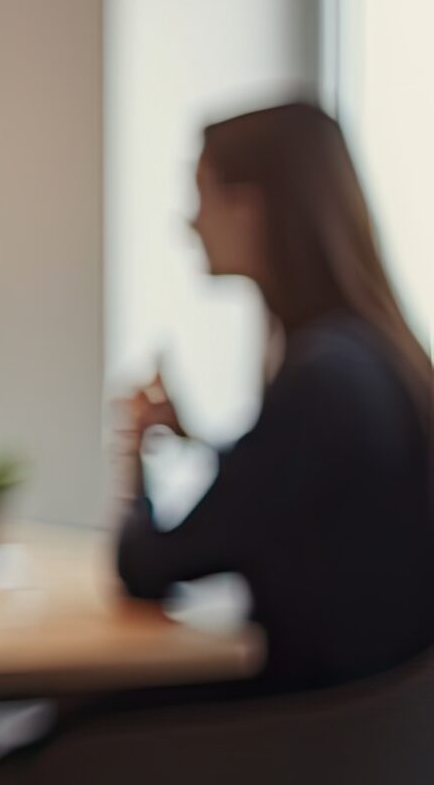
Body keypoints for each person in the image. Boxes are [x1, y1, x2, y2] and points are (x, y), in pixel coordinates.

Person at [112, 101, 434, 695]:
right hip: (378, 740)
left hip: (300, 735)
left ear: (253, 208)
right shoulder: (375, 361)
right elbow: (298, 498)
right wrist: (199, 442)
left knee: (45, 752)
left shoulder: (318, 381)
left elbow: (149, 565)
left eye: (202, 195)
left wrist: (136, 463)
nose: (190, 223)